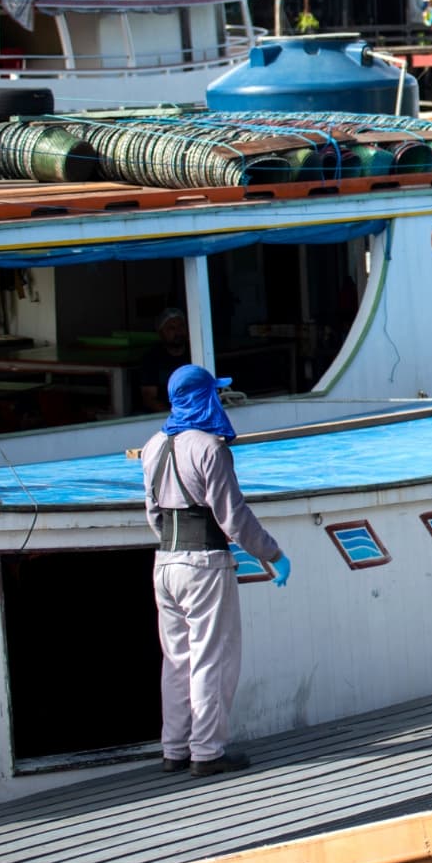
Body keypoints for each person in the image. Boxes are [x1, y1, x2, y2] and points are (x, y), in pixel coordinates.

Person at [142, 364, 291, 777]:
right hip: (204, 562)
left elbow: (154, 514)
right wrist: (272, 553)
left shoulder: (153, 446)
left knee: (176, 660)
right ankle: (207, 752)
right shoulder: (209, 448)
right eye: (216, 393)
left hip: (165, 561)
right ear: (203, 397)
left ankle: (174, 748)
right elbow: (233, 517)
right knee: (211, 658)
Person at [140, 307, 191, 411]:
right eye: (171, 328)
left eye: (181, 326)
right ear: (161, 333)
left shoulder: (196, 352)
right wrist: (174, 416)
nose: (178, 332)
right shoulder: (151, 359)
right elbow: (149, 398)